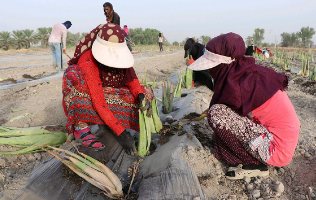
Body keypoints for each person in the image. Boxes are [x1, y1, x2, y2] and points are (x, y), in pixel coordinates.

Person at [188, 32, 300, 180]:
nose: (210, 71)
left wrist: (213, 113)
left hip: (276, 148)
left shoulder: (239, 85)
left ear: (222, 65)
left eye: (212, 67)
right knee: (219, 130)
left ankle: (254, 164)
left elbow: (223, 112)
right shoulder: (245, 74)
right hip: (284, 142)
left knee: (216, 115)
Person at [63, 23, 154, 153]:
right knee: (78, 89)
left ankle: (111, 122)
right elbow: (99, 101)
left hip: (109, 91)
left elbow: (133, 81)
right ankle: (80, 127)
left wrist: (140, 95)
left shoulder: (122, 58)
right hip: (93, 94)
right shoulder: (88, 60)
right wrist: (122, 134)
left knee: (146, 94)